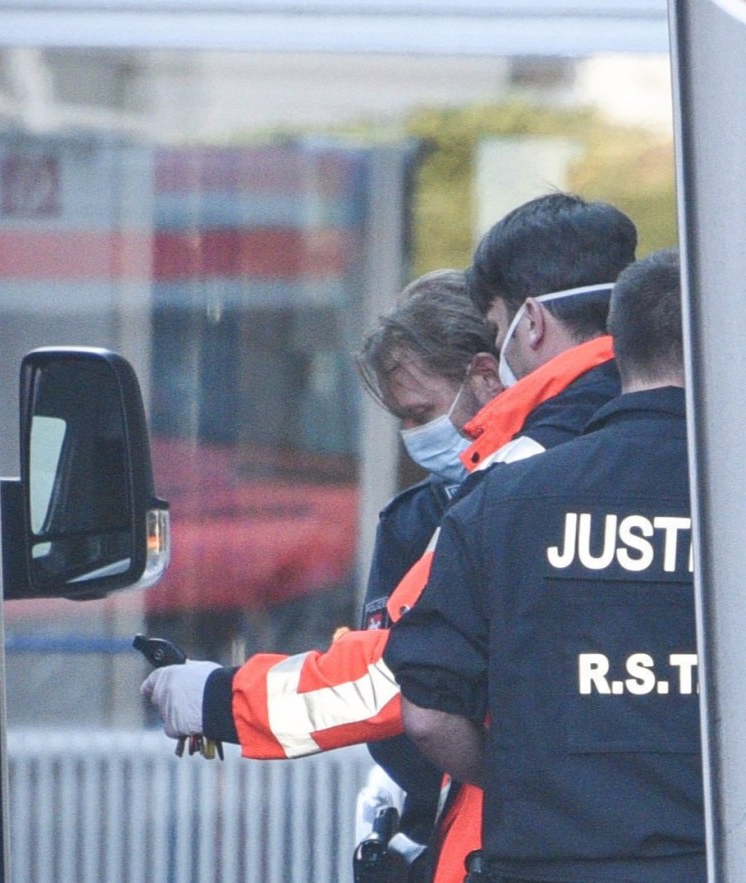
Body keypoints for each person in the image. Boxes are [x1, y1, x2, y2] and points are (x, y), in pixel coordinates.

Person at [143, 193, 636, 880]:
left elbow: (403, 673)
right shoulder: (694, 452)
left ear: (526, 326)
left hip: (535, 844)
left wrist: (223, 699)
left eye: (495, 332)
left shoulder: (512, 484)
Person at [144, 268, 504, 845]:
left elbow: (399, 678)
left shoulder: (519, 508)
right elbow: (378, 664)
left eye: (420, 412)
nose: (414, 435)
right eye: (403, 419)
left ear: (487, 377)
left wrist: (219, 699)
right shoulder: (413, 522)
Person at [387, 248, 705, 882]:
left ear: (622, 344)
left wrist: (524, 779)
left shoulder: (502, 501)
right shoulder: (723, 498)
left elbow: (424, 713)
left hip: (547, 855)